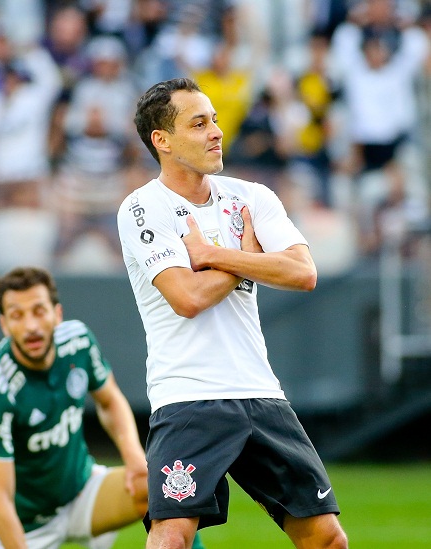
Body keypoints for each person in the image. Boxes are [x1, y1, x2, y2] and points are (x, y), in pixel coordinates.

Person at [116, 77, 348, 549]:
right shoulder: (143, 208)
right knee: (173, 538)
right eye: (199, 124)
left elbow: (303, 273)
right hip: (188, 397)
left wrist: (215, 255)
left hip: (261, 393)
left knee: (327, 539)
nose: (216, 132)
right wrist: (250, 257)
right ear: (162, 141)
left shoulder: (253, 196)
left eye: (215, 120)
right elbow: (188, 298)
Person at [0, 266, 205, 549]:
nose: (31, 325)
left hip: (81, 492)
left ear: (57, 314)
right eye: (17, 316)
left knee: (164, 489)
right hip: (24, 526)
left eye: (39, 311)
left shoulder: (78, 341)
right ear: (4, 325)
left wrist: (134, 459)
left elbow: (109, 401)